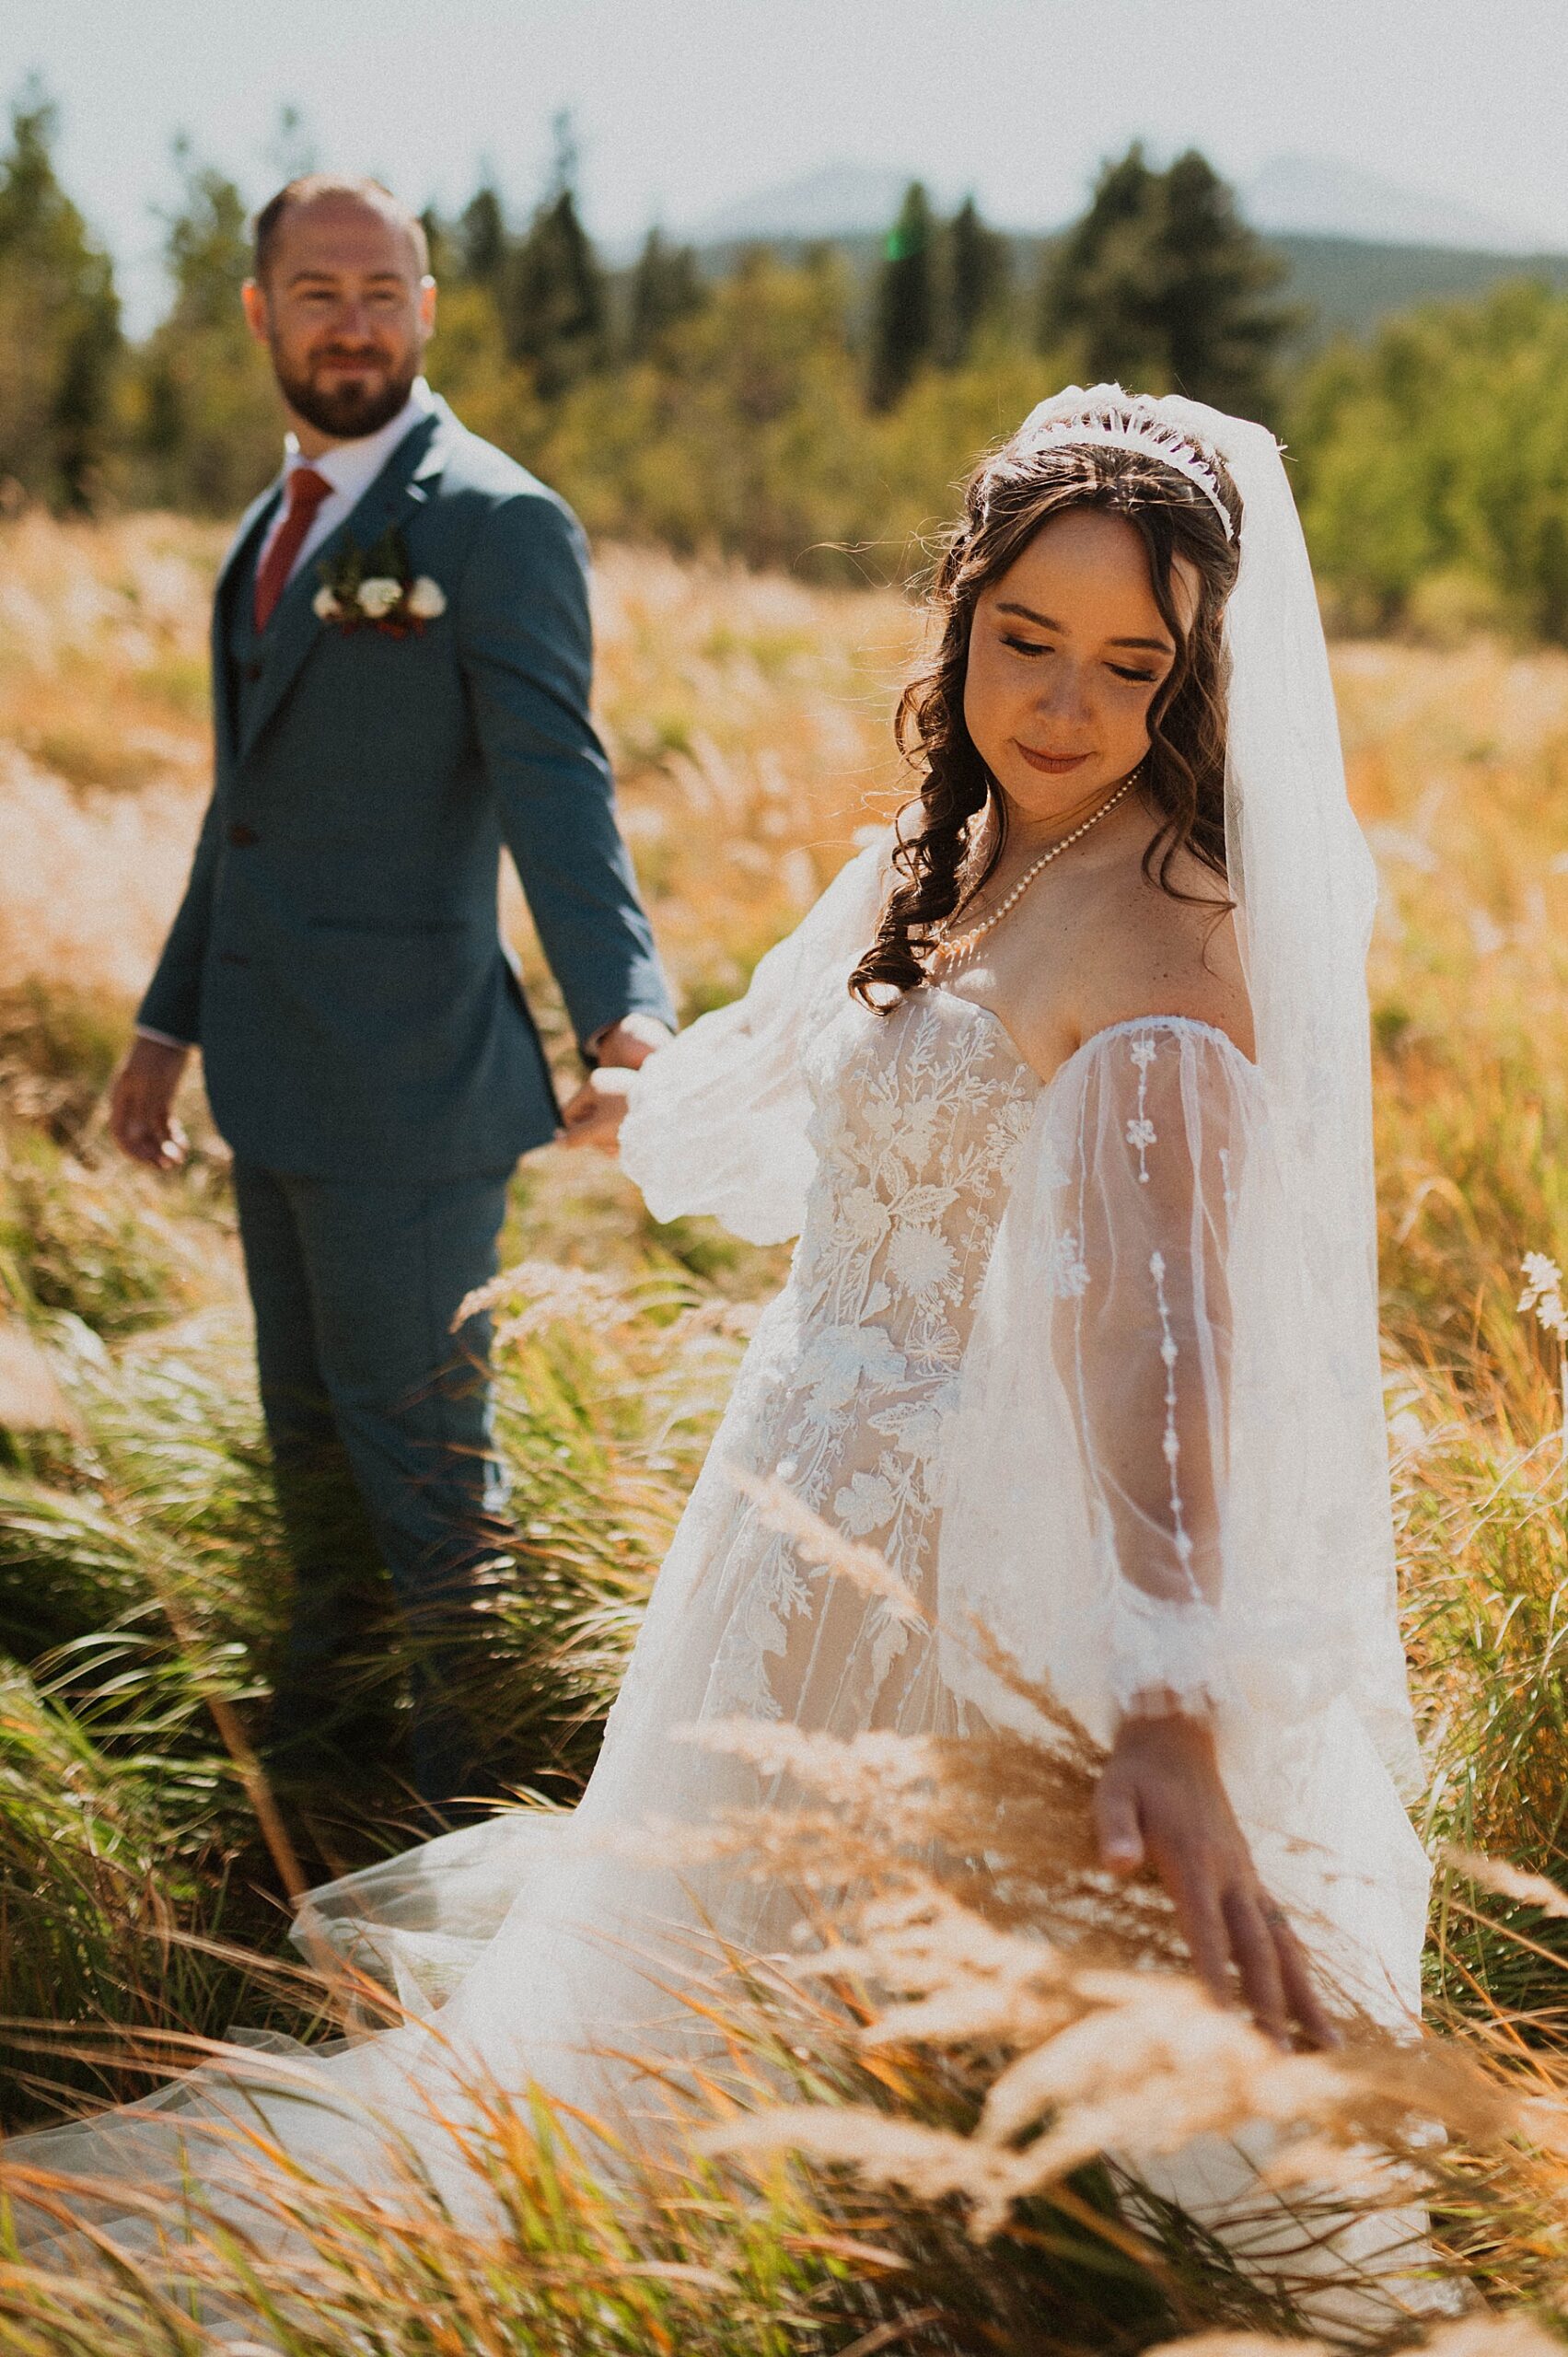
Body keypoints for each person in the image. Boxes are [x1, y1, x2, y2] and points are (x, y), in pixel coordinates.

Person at [19, 389, 1430, 2293]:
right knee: (674, 2000)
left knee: (858, 2050)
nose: (1066, 707)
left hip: (937, 1562)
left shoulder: (1171, 947)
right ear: (959, 611)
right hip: (781, 1489)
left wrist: (1169, 1696)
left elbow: (1164, 1353)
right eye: (1024, 638)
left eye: (1128, 664)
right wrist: (642, 1092)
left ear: (1190, 680)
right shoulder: (943, 849)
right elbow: (818, 1101)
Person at [107, 176, 674, 1809]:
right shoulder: (264, 530)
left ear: (426, 306)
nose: (350, 320)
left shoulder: (497, 523)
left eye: (381, 289)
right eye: (317, 290)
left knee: (432, 1495)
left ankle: (461, 1838)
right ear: (259, 311)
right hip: (271, 1089)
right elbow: (247, 809)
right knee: (315, 1476)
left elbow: (561, 784)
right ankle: (327, 1792)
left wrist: (626, 1020)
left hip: (417, 1100)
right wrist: (165, 1022)